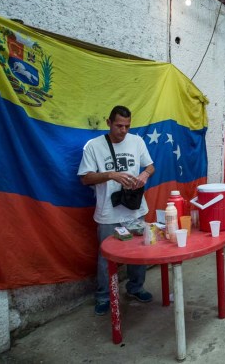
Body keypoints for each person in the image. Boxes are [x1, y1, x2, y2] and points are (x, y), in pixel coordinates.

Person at [78, 105, 155, 316]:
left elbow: (150, 166)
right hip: (108, 212)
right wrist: (111, 175)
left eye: (127, 126)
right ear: (108, 122)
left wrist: (143, 176)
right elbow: (85, 178)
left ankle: (136, 288)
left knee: (139, 250)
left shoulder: (137, 141)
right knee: (106, 257)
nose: (123, 130)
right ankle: (104, 296)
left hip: (135, 209)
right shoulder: (93, 146)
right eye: (119, 125)